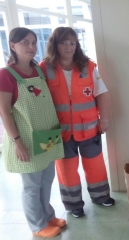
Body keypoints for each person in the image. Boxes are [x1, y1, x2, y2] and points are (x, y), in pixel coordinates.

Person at [39, 27, 114, 218]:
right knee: (66, 170)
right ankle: (74, 205)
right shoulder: (44, 68)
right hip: (59, 132)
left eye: (72, 42)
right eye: (64, 42)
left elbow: (102, 94)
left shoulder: (87, 67)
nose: (68, 46)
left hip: (89, 128)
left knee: (95, 165)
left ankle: (101, 196)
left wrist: (104, 120)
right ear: (55, 44)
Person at [0, 27, 65, 238]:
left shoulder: (38, 70)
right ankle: (37, 226)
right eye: (25, 42)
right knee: (31, 186)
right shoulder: (6, 75)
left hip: (46, 136)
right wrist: (17, 142)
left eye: (34, 42)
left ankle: (47, 215)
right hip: (26, 140)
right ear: (12, 45)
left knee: (47, 180)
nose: (31, 47)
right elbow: (4, 112)